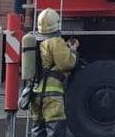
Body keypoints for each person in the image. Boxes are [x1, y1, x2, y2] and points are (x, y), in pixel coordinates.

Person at [30, 8, 78, 137]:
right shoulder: (55, 41)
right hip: (52, 96)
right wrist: (72, 51)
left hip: (35, 95)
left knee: (38, 130)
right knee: (55, 130)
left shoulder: (37, 41)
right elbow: (66, 64)